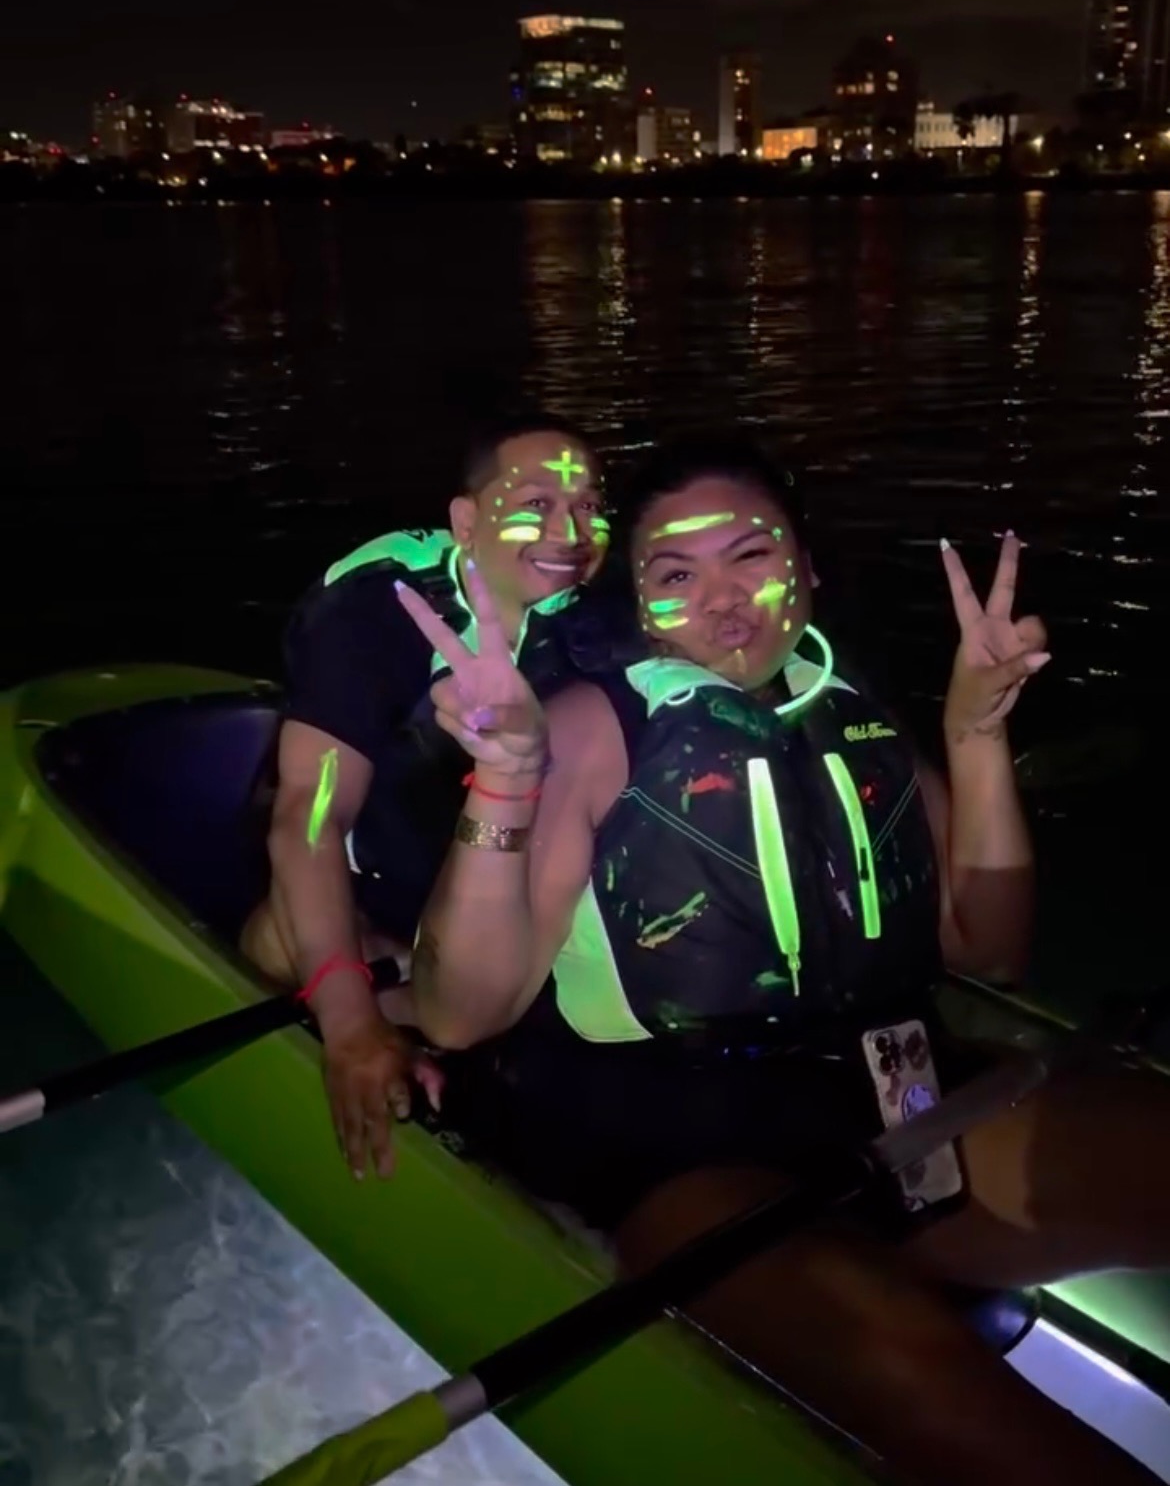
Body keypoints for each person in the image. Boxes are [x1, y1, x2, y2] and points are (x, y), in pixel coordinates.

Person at [398, 432, 1170, 1486]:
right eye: (677, 575)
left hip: (894, 1115)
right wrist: (505, 779)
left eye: (750, 557)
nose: (723, 602)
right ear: (642, 603)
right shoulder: (591, 729)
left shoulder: (849, 715)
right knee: (964, 1409)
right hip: (685, 1162)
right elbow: (458, 1013)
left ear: (804, 565)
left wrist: (976, 733)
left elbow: (988, 946)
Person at [241, 417, 609, 1180]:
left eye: (587, 506)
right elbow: (310, 812)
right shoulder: (378, 610)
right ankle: (326, 1023)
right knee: (281, 938)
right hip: (369, 896)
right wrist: (350, 1021)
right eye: (536, 504)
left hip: (490, 899)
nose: (569, 531)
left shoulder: (595, 622)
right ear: (466, 521)